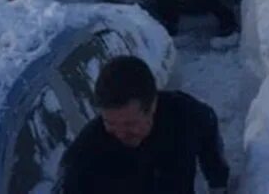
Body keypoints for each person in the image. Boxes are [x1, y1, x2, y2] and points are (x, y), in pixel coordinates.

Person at [55, 56, 230, 194]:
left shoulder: (184, 115)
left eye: (130, 123)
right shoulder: (83, 157)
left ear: (152, 105)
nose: (120, 133)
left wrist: (217, 181)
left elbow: (208, 129)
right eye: (110, 123)